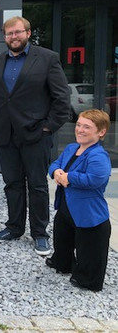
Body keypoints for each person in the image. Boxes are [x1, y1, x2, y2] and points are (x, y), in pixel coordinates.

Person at [0, 16, 70, 255]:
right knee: (11, 183)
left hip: (35, 134)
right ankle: (14, 227)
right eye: (9, 33)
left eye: (18, 32)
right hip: (5, 134)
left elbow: (61, 99)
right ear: (4, 36)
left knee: (38, 185)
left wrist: (48, 127)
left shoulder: (47, 58)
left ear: (28, 33)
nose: (14, 37)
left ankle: (40, 233)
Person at [47, 109, 112, 292]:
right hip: (68, 206)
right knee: (62, 238)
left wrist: (69, 178)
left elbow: (95, 179)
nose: (80, 130)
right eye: (78, 125)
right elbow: (55, 164)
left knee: (89, 247)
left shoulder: (98, 156)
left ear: (101, 132)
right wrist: (56, 172)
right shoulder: (71, 148)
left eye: (86, 127)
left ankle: (87, 280)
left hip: (88, 210)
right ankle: (63, 263)